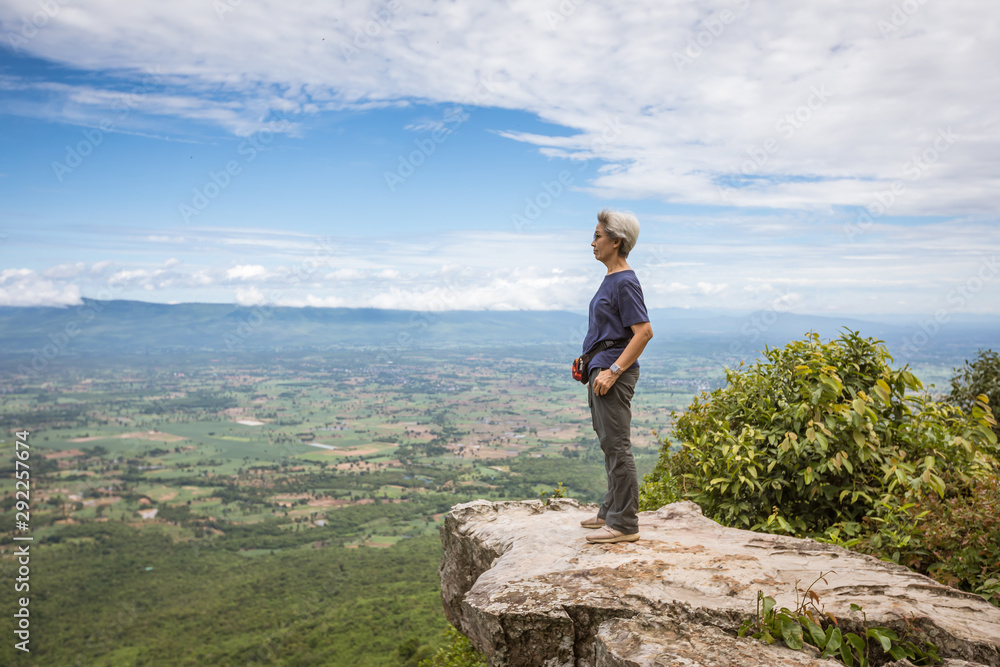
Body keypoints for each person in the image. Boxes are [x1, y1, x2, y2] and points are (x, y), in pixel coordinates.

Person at [579, 209, 653, 544]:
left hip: (613, 374)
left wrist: (612, 370)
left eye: (597, 235)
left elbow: (643, 332)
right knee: (609, 442)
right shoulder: (612, 278)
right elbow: (610, 331)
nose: (592, 242)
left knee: (618, 445)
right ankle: (610, 510)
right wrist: (587, 359)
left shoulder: (624, 281)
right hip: (601, 369)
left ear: (616, 241)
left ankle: (624, 525)